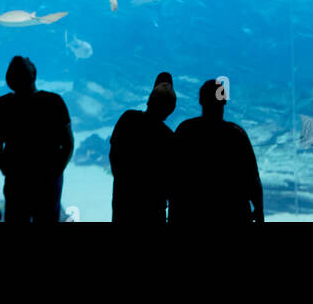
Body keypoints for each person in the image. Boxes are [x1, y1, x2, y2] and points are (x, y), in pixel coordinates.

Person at [0, 56, 73, 223]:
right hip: (48, 180)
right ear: (34, 75)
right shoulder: (54, 102)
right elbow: (68, 144)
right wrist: (56, 171)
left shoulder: (1, 106)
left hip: (17, 181)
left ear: (9, 80)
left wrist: (8, 170)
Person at [169, 78, 263, 224]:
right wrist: (259, 210)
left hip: (190, 214)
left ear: (201, 101)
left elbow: (170, 175)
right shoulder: (237, 134)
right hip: (231, 214)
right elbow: (252, 179)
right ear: (224, 101)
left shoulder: (185, 131)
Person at [109, 72, 176, 222]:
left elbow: (114, 155)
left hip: (123, 202)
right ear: (171, 110)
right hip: (152, 210)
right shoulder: (169, 138)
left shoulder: (128, 119)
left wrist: (122, 182)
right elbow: (171, 182)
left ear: (148, 100)